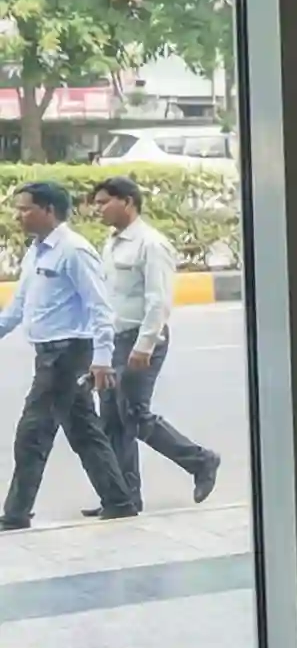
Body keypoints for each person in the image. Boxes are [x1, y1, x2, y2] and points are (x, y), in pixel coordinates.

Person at [0, 182, 133, 529]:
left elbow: (99, 307)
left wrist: (102, 358)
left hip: (67, 354)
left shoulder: (74, 250)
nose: (18, 215)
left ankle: (15, 514)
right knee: (84, 430)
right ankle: (119, 501)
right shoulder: (37, 251)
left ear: (49, 210)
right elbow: (18, 307)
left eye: (26, 209)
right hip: (48, 353)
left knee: (33, 433)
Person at [89, 178, 221, 511]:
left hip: (139, 340)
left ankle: (201, 460)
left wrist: (145, 344)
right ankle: (122, 497)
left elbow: (158, 301)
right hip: (114, 340)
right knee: (113, 420)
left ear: (128, 202)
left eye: (104, 202)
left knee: (133, 415)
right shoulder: (112, 243)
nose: (98, 209)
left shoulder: (151, 244)